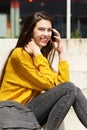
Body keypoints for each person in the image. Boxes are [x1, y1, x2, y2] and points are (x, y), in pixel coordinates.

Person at [0, 11, 87, 130]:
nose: (46, 34)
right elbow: (50, 85)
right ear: (30, 31)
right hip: (14, 112)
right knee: (70, 88)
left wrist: (61, 53)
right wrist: (37, 54)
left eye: (49, 30)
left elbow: (62, 84)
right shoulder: (19, 55)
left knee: (74, 90)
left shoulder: (38, 58)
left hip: (28, 112)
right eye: (41, 29)